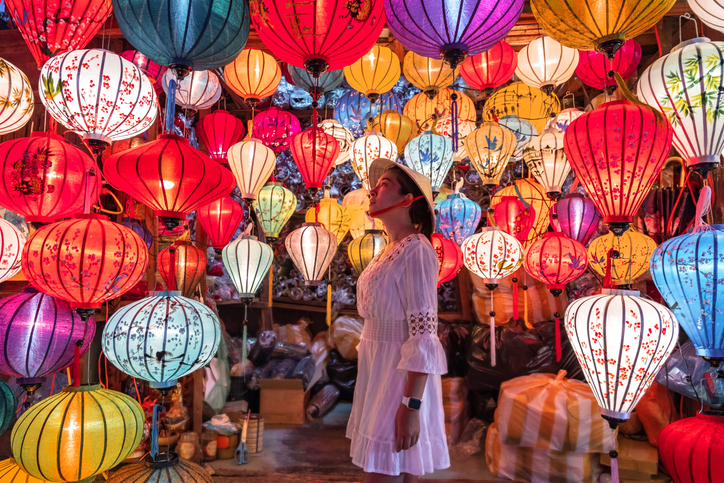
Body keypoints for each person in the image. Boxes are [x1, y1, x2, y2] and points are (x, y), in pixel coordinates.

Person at [346, 158, 449, 482]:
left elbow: (423, 334)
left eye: (385, 184)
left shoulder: (416, 250)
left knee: (386, 469)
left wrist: (411, 405)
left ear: (407, 199)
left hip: (399, 377)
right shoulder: (388, 249)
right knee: (391, 469)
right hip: (377, 371)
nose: (373, 191)